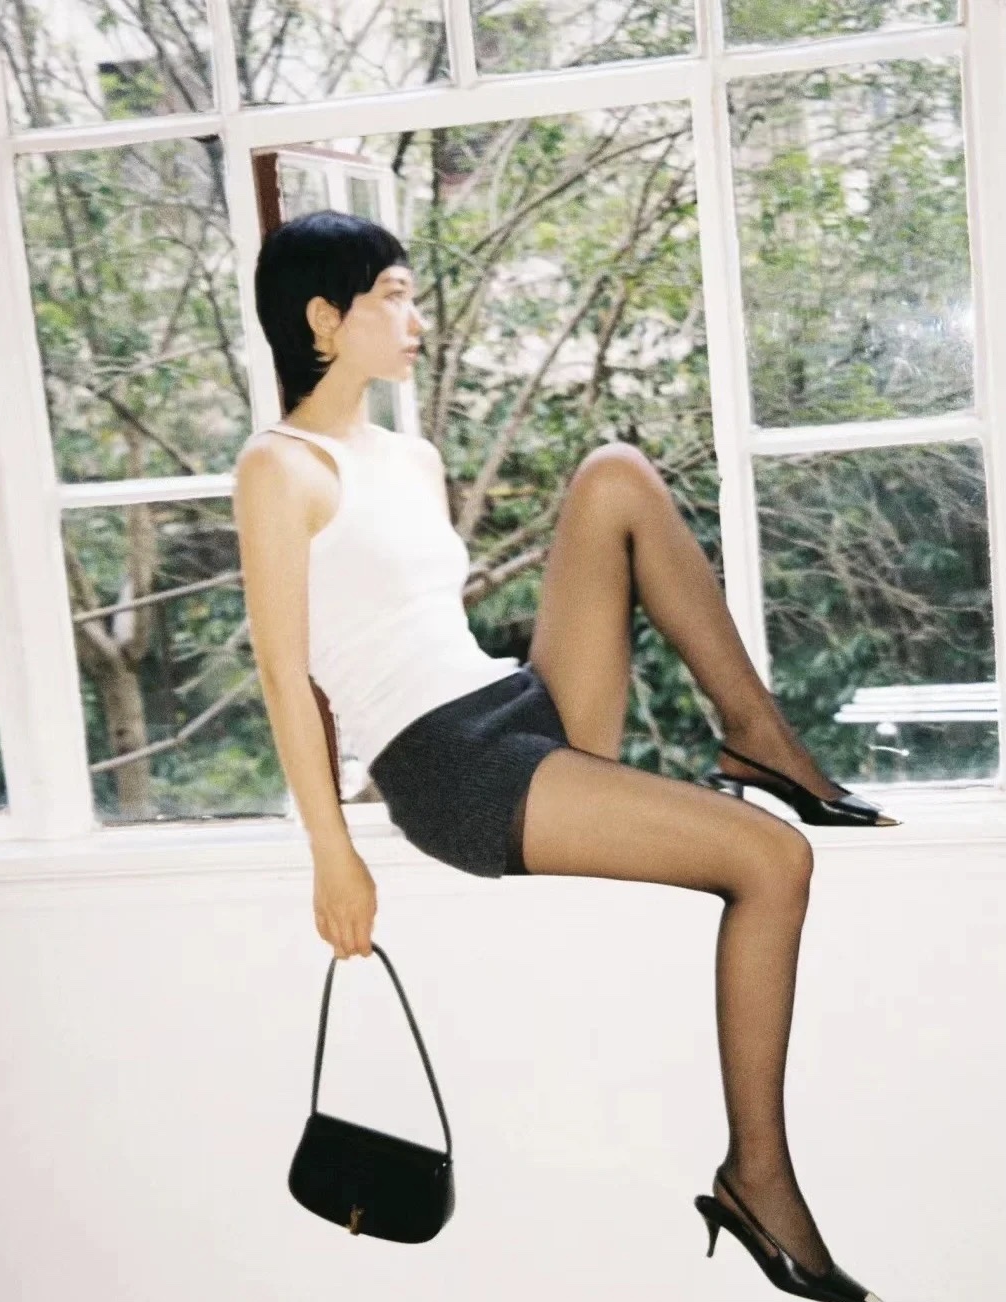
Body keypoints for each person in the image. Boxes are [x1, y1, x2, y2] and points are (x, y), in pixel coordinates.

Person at [233, 209, 896, 1302]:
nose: (416, 316)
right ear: (323, 318)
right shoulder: (279, 468)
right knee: (773, 860)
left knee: (615, 474)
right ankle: (758, 1180)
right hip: (447, 765)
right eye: (393, 295)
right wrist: (331, 851)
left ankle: (758, 736)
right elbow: (283, 674)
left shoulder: (410, 456)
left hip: (509, 704)